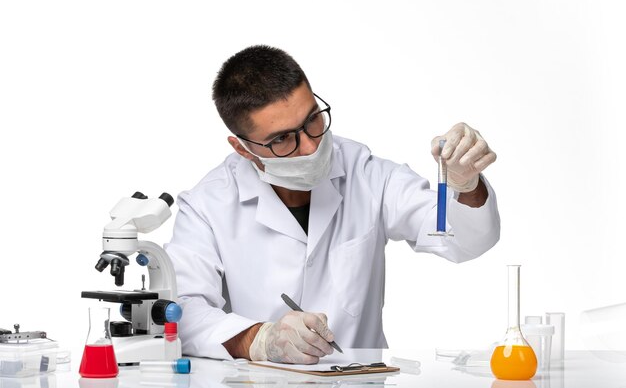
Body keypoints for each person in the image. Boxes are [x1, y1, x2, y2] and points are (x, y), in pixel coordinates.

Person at [166, 45, 500, 364]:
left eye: (312, 119)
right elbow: (182, 311)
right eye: (282, 139)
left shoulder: (364, 172)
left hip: (361, 380)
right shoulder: (207, 205)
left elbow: (463, 241)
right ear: (243, 149)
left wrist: (465, 183)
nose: (310, 146)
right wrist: (263, 340)